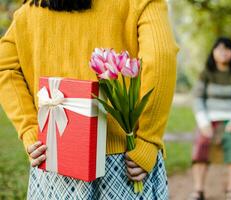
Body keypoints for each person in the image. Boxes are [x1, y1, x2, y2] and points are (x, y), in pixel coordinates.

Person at [0, 0, 178, 199]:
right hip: (126, 162)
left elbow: (4, 67)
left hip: (53, 156)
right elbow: (161, 58)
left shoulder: (28, 12)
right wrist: (147, 140)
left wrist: (31, 131)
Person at [190, 37, 231, 200]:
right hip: (209, 119)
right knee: (201, 145)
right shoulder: (206, 74)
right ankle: (198, 190)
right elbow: (197, 98)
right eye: (219, 48)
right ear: (213, 52)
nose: (223, 52)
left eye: (227, 48)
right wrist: (203, 123)